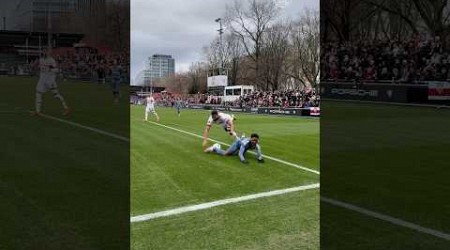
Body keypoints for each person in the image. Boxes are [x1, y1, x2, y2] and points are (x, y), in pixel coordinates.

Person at [31, 48, 69, 116]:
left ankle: (66, 108)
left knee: (56, 95)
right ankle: (37, 111)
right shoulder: (41, 59)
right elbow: (36, 66)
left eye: (46, 51)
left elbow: (56, 69)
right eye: (43, 51)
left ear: (48, 53)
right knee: (38, 93)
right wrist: (34, 65)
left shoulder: (51, 60)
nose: (44, 53)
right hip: (42, 80)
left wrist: (50, 69)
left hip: (50, 80)